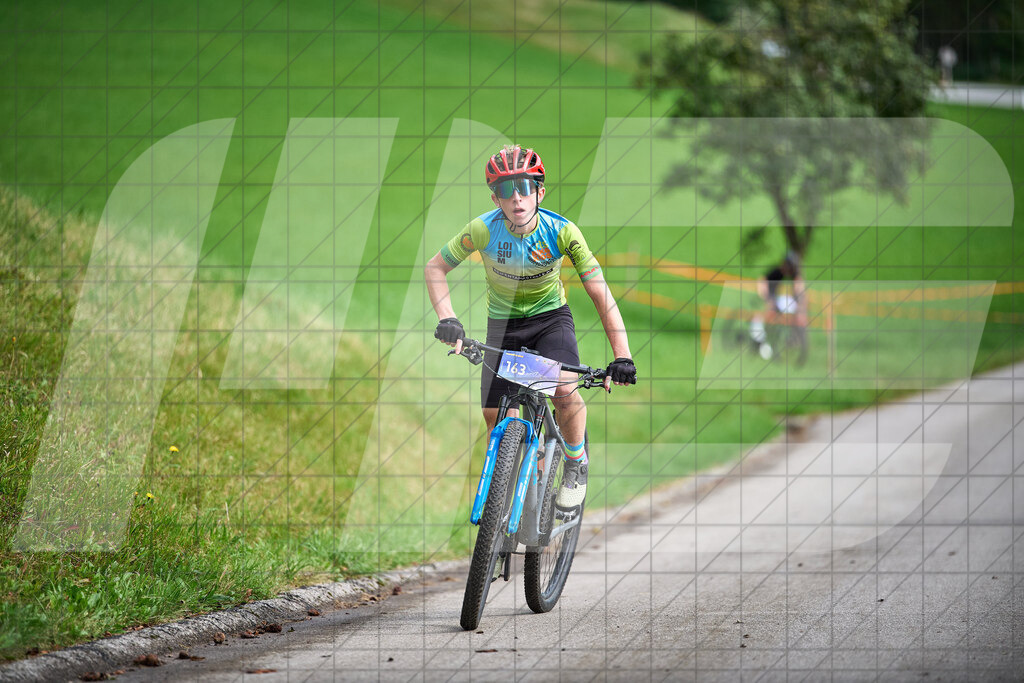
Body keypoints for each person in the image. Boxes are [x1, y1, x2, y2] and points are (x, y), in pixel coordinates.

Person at [424, 144, 636, 511]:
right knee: (495, 419)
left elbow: (601, 295)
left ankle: (575, 463)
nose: (516, 198)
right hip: (503, 326)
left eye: (524, 187)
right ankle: (509, 500)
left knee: (563, 389)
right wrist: (448, 318)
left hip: (550, 321)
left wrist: (623, 356)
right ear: (495, 198)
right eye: (506, 190)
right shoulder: (483, 230)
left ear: (540, 192)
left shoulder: (562, 232)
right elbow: (435, 268)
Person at [750, 250, 807, 360]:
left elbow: (799, 287)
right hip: (771, 299)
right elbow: (762, 282)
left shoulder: (794, 275)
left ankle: (792, 338)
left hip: (779, 300)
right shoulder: (777, 272)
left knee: (793, 313)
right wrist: (768, 299)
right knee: (761, 318)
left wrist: (801, 304)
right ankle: (758, 341)